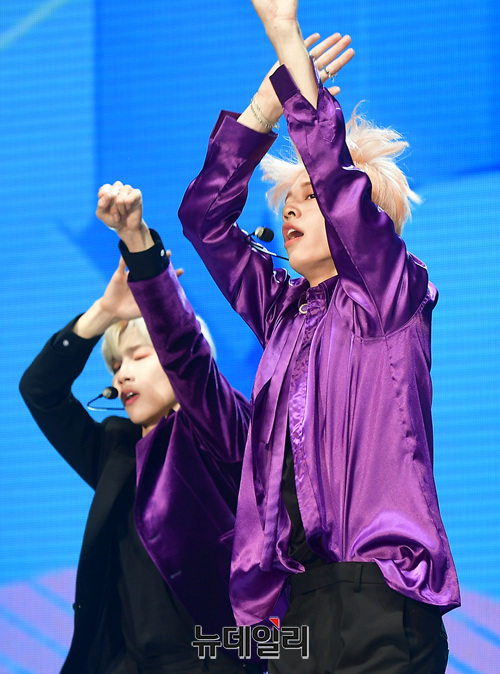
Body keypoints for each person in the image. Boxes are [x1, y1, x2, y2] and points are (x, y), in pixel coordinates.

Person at [178, 1, 460, 672]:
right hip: (296, 608)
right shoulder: (283, 312)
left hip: (381, 596)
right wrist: (261, 110)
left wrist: (284, 35)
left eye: (310, 197)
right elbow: (204, 221)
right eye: (289, 199)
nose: (293, 208)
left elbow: (335, 176)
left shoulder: (393, 292)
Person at [19, 182, 261, 674]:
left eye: (138, 355)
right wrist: (104, 314)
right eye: (116, 364)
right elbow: (40, 390)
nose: (122, 374)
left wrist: (136, 241)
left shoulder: (215, 432)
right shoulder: (117, 452)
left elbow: (184, 349)